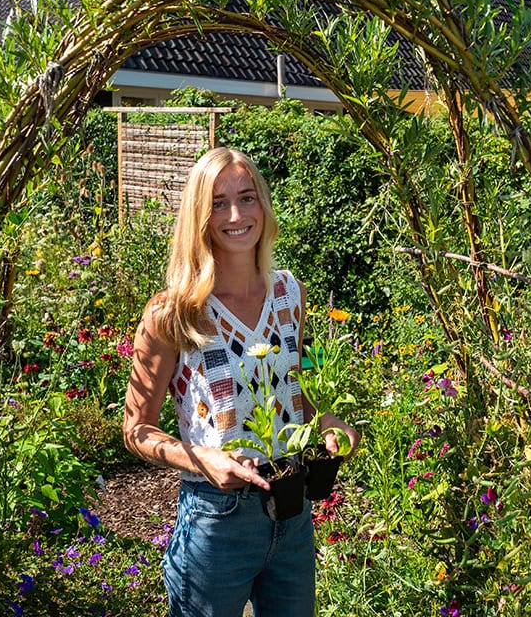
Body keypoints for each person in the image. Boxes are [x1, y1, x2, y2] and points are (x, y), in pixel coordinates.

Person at [123, 146, 359, 617]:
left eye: (247, 197)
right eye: (218, 203)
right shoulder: (173, 313)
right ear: (199, 217)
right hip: (216, 520)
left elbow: (291, 388)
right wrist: (201, 459)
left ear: (263, 206)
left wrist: (325, 420)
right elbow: (135, 429)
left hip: (291, 516)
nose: (236, 214)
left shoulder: (289, 292)